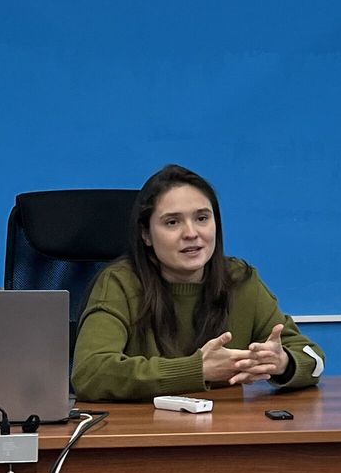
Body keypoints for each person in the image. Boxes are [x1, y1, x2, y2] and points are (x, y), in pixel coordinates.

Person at [71, 164, 325, 401]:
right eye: (172, 222)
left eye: (202, 218)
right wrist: (197, 370)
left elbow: (314, 360)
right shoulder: (120, 284)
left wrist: (282, 363)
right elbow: (89, 373)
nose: (191, 233)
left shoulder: (239, 280)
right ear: (146, 234)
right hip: (144, 428)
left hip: (225, 427)